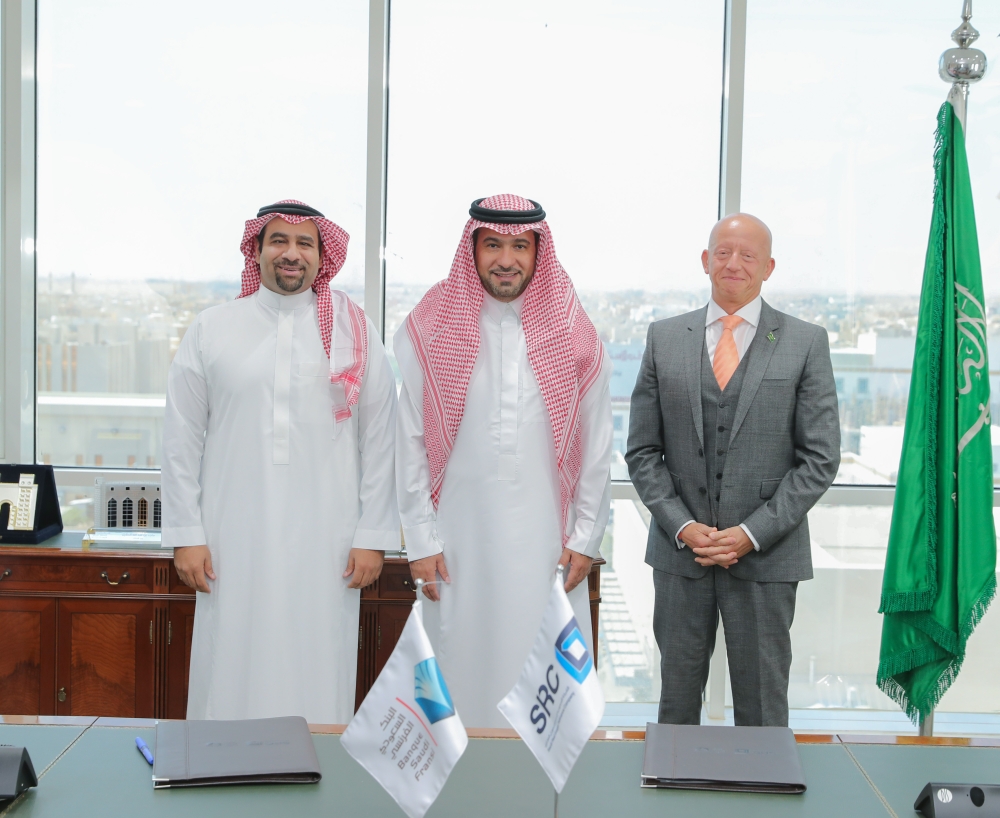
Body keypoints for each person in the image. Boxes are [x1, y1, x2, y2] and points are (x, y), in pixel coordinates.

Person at [161, 200, 399, 723]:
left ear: (322, 256)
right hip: (230, 539)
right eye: (278, 241)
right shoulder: (212, 328)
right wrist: (185, 532)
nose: (291, 254)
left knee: (318, 663)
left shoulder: (356, 333)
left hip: (329, 542)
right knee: (230, 662)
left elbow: (382, 438)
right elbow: (181, 438)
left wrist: (373, 535)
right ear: (258, 250)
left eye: (305, 243)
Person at [395, 194, 613, 728]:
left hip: (548, 547)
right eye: (493, 244)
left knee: (541, 685)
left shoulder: (573, 333)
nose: (506, 259)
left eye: (520, 245)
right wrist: (420, 542)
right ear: (472, 250)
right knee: (456, 681)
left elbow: (597, 446)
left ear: (540, 253)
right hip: (456, 547)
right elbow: (410, 442)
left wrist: (586, 537)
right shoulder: (433, 326)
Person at [625, 213, 840, 727]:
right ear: (705, 261)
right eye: (723, 252)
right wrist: (681, 526)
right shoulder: (663, 338)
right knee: (676, 701)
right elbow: (640, 452)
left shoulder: (806, 341)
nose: (734, 263)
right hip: (682, 558)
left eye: (748, 255)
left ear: (768, 267)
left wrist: (750, 533)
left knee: (764, 706)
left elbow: (820, 459)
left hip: (767, 559)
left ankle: (763, 805)